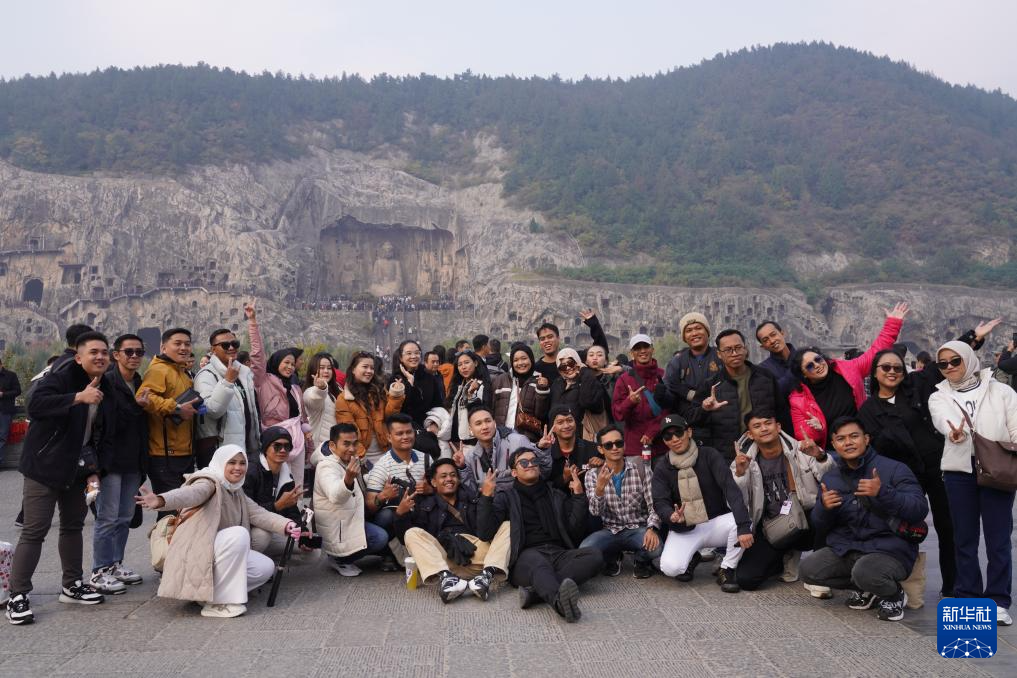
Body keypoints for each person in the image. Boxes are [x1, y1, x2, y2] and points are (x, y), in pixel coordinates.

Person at [6, 331, 113, 625]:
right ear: (78, 357)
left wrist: (95, 470)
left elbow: (100, 433)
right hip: (45, 465)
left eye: (104, 352)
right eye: (93, 352)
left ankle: (72, 585)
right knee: (35, 530)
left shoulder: (107, 383)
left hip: (78, 468)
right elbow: (34, 404)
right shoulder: (61, 375)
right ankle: (18, 595)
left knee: (73, 526)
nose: (100, 357)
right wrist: (78, 397)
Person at [135, 445, 301, 618]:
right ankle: (217, 603)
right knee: (238, 534)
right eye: (232, 462)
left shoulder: (235, 489)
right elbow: (189, 494)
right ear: (221, 463)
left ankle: (207, 595)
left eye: (242, 463)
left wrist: (287, 525)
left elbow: (258, 513)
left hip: (214, 553)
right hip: (198, 552)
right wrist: (161, 500)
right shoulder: (209, 482)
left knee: (264, 567)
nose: (238, 467)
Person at [800, 417, 929, 622]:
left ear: (866, 439)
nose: (848, 443)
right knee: (809, 570)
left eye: (854, 436)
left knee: (865, 572)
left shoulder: (894, 469)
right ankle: (867, 588)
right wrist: (824, 508)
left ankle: (893, 594)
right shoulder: (831, 477)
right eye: (841, 439)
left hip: (889, 549)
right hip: (848, 547)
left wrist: (883, 493)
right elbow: (819, 524)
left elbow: (919, 509)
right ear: (833, 444)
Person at [928, 340, 1017, 626]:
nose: (950, 367)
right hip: (959, 471)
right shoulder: (938, 396)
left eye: (955, 361)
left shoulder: (1001, 391)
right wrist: (953, 434)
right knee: (964, 538)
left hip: (997, 468)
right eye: (943, 364)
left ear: (968, 359)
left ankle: (998, 600)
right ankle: (968, 596)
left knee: (998, 539)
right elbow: (942, 419)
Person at [858, 349, 958, 596]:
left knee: (949, 526)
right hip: (904, 474)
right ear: (875, 372)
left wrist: (973, 337)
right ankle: (897, 585)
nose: (892, 372)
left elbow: (939, 366)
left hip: (937, 466)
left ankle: (953, 586)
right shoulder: (869, 410)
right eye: (886, 367)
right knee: (902, 527)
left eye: (897, 368)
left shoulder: (915, 386)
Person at [476, 448, 603, 622]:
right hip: (526, 557)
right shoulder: (507, 497)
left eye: (534, 461)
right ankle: (560, 603)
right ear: (514, 472)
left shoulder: (555, 494)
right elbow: (485, 532)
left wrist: (579, 496)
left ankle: (535, 593)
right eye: (523, 462)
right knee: (539, 564)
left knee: (594, 555)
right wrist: (486, 497)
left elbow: (575, 531)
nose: (530, 464)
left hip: (558, 553)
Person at [731, 411, 834, 591]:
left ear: (778, 427)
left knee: (825, 510)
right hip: (771, 526)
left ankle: (818, 573)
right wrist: (740, 474)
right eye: (757, 426)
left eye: (768, 423)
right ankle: (783, 556)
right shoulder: (743, 461)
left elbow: (831, 479)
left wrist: (820, 456)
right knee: (746, 579)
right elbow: (735, 501)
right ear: (750, 434)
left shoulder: (802, 450)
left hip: (805, 519)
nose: (764, 429)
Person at [652, 415, 753, 592]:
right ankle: (692, 557)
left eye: (678, 433)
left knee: (743, 521)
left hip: (715, 523)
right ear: (665, 441)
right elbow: (660, 501)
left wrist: (744, 527)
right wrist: (671, 515)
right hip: (685, 527)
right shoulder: (662, 466)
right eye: (668, 436)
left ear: (689, 432)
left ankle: (727, 568)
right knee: (670, 568)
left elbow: (730, 488)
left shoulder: (709, 455)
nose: (674, 439)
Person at [789, 303, 908, 453]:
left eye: (818, 359)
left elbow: (875, 352)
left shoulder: (847, 369)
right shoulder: (798, 399)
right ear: (803, 374)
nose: (817, 365)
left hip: (865, 443)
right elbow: (803, 436)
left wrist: (893, 323)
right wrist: (819, 429)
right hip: (832, 453)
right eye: (810, 366)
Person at [400, 459, 511, 603]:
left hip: (478, 555)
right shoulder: (426, 505)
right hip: (445, 561)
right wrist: (400, 515)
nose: (449, 479)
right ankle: (448, 579)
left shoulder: (473, 498)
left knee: (508, 525)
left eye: (453, 475)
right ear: (433, 482)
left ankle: (486, 576)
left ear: (458, 480)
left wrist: (485, 497)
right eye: (443, 476)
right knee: (412, 533)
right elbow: (411, 542)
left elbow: (486, 534)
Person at [89, 334, 150, 595]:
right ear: (117, 355)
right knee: (107, 517)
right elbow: (109, 422)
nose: (134, 356)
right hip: (110, 460)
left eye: (139, 352)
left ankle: (115, 563)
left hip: (133, 460)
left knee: (125, 516)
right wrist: (137, 406)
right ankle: (99, 570)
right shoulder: (107, 382)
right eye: (129, 352)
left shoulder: (139, 381)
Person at [682, 329, 784, 461]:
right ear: (719, 354)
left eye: (738, 348)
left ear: (745, 349)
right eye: (728, 350)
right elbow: (691, 419)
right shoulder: (711, 385)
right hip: (727, 454)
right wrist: (704, 409)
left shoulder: (765, 377)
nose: (734, 353)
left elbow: (782, 411)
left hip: (767, 451)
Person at [580, 425, 662, 578]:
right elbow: (595, 512)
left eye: (618, 443)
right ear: (600, 449)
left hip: (637, 528)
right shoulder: (592, 475)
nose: (614, 448)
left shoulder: (641, 468)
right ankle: (613, 556)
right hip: (609, 530)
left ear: (624, 445)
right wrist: (599, 489)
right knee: (585, 550)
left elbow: (654, 504)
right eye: (608, 445)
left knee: (656, 548)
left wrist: (652, 528)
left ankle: (640, 560)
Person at [138, 327, 201, 516]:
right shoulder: (159, 370)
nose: (183, 348)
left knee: (182, 511)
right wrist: (177, 408)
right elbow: (144, 397)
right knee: (170, 512)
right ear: (163, 347)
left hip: (183, 452)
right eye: (178, 343)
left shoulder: (182, 372)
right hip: (164, 454)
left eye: (187, 344)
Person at [313, 423, 389, 576]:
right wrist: (348, 479)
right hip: (339, 529)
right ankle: (339, 558)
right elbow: (335, 495)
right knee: (380, 537)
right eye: (346, 444)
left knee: (387, 516)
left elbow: (361, 485)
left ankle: (386, 553)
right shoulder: (326, 467)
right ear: (333, 445)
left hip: (353, 516)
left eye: (355, 443)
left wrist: (381, 479)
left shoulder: (350, 459)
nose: (352, 448)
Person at [249, 303, 313, 467]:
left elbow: (302, 417)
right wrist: (253, 322)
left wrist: (306, 432)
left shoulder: (295, 389)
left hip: (297, 442)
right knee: (277, 480)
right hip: (274, 441)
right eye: (286, 363)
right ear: (277, 362)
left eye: (292, 364)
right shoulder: (264, 381)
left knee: (297, 481)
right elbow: (257, 356)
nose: (290, 367)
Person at [365, 413, 430, 569]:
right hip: (396, 518)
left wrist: (429, 489)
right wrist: (383, 496)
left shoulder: (426, 459)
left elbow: (441, 491)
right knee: (386, 515)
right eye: (399, 433)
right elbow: (370, 506)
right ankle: (389, 552)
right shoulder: (382, 466)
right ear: (389, 437)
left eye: (409, 432)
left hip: (421, 513)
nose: (405, 437)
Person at [193, 317, 262, 465]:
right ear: (213, 349)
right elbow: (212, 410)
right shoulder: (206, 375)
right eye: (225, 345)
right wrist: (228, 382)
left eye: (234, 344)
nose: (231, 348)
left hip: (247, 447)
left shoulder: (244, 372)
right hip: (221, 449)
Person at [335, 352, 406, 464]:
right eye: (365, 367)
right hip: (363, 457)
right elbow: (349, 433)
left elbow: (390, 416)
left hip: (386, 451)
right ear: (353, 369)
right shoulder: (344, 399)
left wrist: (396, 395)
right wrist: (362, 458)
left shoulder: (378, 390)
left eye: (372, 368)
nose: (369, 371)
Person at [243, 427, 303, 556]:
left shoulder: (285, 472)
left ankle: (270, 561)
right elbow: (247, 513)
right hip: (249, 531)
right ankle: (249, 564)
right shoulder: (250, 471)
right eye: (277, 446)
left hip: (275, 526)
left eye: (287, 446)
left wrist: (301, 531)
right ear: (265, 448)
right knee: (262, 535)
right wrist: (278, 505)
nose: (282, 450)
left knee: (312, 550)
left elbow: (292, 511)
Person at [460, 406, 547, 491]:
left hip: (518, 498)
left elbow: (541, 473)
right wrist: (461, 468)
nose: (485, 427)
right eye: (478, 423)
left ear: (494, 423)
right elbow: (471, 492)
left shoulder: (517, 441)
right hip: (488, 500)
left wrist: (542, 450)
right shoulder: (470, 457)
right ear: (470, 429)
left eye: (488, 421)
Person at [612, 334, 668, 462]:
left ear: (652, 349)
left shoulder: (664, 376)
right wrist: (630, 402)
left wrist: (652, 432)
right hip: (635, 446)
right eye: (637, 348)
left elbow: (670, 409)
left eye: (646, 347)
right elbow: (617, 414)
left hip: (663, 443)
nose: (642, 351)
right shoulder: (624, 380)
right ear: (632, 353)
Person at [657, 312, 724, 410]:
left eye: (698, 328)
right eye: (689, 330)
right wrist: (662, 396)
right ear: (684, 337)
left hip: (720, 414)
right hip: (688, 417)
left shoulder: (721, 356)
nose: (694, 333)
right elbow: (671, 398)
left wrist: (688, 393)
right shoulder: (678, 362)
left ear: (707, 332)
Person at [492, 343, 550, 444]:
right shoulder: (501, 380)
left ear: (531, 359)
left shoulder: (539, 381)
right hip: (500, 438)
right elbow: (491, 409)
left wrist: (542, 390)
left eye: (524, 358)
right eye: (516, 360)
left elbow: (541, 415)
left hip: (526, 441)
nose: (520, 363)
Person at [549, 348, 606, 442]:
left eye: (571, 363)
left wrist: (585, 371)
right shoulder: (557, 383)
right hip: (558, 439)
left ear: (578, 362)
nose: (568, 368)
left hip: (582, 438)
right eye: (563, 366)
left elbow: (588, 402)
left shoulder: (588, 380)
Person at [389, 340, 444, 429]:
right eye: (409, 353)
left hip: (426, 429)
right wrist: (410, 384)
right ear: (401, 358)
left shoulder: (429, 377)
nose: (413, 356)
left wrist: (434, 423)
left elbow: (437, 405)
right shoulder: (395, 380)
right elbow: (395, 410)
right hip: (404, 430)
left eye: (417, 353)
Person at [444, 350, 492, 444]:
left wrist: (471, 395)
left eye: (466, 362)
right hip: (454, 438)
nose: (463, 367)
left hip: (472, 439)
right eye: (460, 364)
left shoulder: (482, 386)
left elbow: (482, 411)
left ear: (475, 363)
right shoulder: (458, 386)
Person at [302, 352, 340, 452]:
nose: (326, 371)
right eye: (322, 368)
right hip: (321, 449)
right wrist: (320, 388)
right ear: (313, 370)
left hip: (337, 446)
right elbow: (315, 399)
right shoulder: (310, 392)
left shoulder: (336, 389)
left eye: (329, 368)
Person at [755, 320, 797, 399]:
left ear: (782, 333)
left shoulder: (806, 356)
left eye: (773, 335)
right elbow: (773, 393)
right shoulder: (762, 370)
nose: (772, 341)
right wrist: (795, 369)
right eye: (765, 340)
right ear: (763, 347)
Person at [0, 356, 22, 466]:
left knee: (2, 437)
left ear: (1, 365)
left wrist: (3, 394)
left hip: (5, 410)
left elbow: (18, 391)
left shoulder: (11, 375)